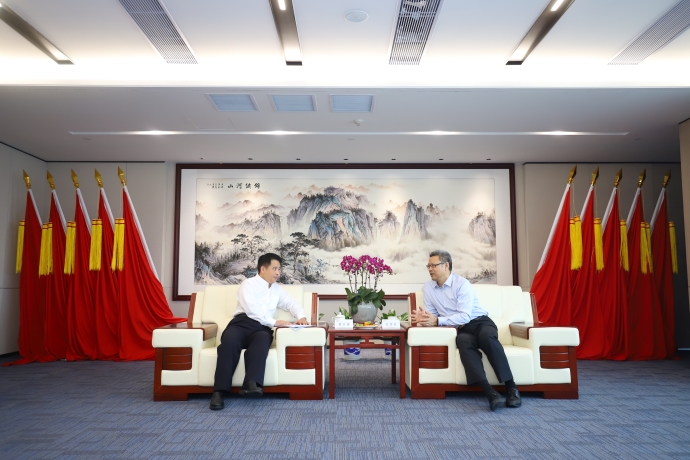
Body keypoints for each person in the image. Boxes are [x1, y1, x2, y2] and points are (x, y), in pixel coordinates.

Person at [411, 250, 521, 411]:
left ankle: (512, 388)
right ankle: (490, 393)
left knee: (487, 338)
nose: (430, 269)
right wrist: (425, 318)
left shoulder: (462, 284)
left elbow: (464, 316)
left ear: (446, 265)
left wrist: (437, 320)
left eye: (433, 265)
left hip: (480, 322)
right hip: (460, 329)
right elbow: (433, 316)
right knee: (463, 342)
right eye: (428, 266)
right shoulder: (428, 287)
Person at [210, 253, 309, 410]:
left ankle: (251, 384)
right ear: (263, 269)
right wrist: (275, 322)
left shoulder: (277, 289)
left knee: (263, 341)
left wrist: (301, 316)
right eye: (275, 268)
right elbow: (251, 310)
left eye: (279, 269)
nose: (278, 272)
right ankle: (219, 392)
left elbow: (291, 303)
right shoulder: (248, 284)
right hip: (241, 324)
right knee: (229, 344)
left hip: (261, 328)